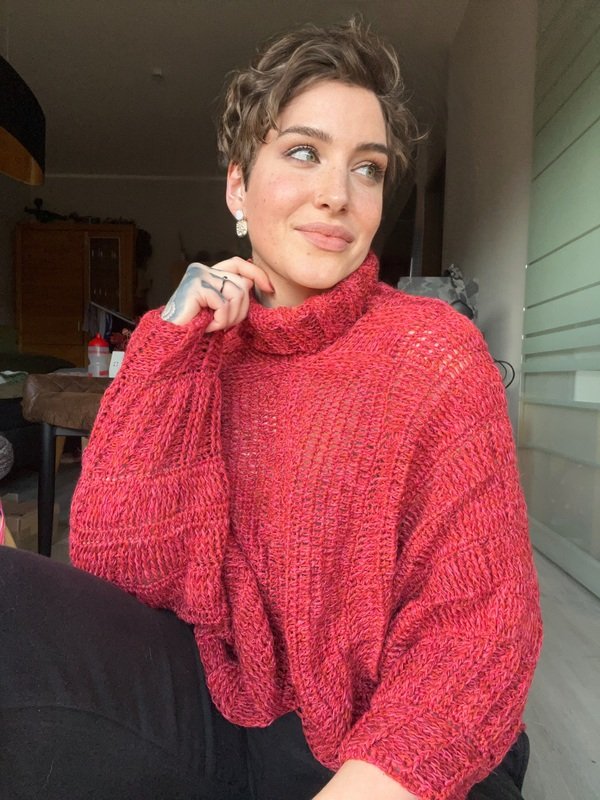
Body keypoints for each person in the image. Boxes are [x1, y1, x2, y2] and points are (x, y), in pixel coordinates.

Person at [0, 18, 542, 800]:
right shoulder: (189, 347)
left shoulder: (434, 353)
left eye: (367, 168)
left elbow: (481, 628)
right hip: (221, 704)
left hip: (394, 745)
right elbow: (123, 577)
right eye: (303, 152)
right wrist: (171, 355)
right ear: (236, 186)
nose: (337, 194)